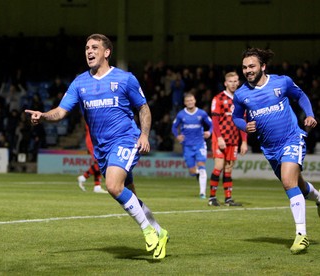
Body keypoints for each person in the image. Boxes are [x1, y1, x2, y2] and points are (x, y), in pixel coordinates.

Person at [25, 34, 169, 259]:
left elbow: (143, 108)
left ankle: (148, 231)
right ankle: (161, 231)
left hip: (125, 139)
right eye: (86, 48)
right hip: (101, 149)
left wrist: (144, 134)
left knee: (112, 186)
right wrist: (43, 116)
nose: (89, 52)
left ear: (106, 52)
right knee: (127, 193)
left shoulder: (125, 79)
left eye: (94, 47)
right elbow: (61, 112)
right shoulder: (80, 82)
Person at [232, 47, 320, 255]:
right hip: (270, 148)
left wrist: (310, 114)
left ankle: (301, 236)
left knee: (288, 182)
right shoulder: (240, 95)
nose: (247, 70)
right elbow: (236, 117)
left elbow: (301, 96)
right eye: (244, 67)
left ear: (263, 67)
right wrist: (244, 126)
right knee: (298, 186)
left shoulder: (281, 82)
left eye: (251, 66)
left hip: (292, 138)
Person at [208, 72, 248, 207]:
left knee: (229, 169)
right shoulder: (218, 98)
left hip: (233, 139)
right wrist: (219, 138)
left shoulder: (240, 100)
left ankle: (228, 199)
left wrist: (244, 141)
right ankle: (212, 198)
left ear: (238, 82)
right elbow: (215, 121)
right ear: (225, 83)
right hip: (220, 139)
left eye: (235, 81)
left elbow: (243, 121)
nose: (233, 83)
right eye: (230, 81)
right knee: (218, 166)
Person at [171, 92, 213, 199]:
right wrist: (177, 135)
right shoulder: (181, 114)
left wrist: (209, 132)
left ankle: (202, 193)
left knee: (202, 166)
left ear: (195, 101)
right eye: (187, 101)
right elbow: (174, 127)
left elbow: (212, 124)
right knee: (192, 171)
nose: (190, 102)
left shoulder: (201, 113)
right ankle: (198, 174)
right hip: (187, 146)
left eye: (191, 100)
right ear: (185, 103)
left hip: (200, 144)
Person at [77, 123, 108, 193]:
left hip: (96, 139)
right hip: (93, 139)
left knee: (99, 162)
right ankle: (83, 177)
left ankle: (97, 186)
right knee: (100, 162)